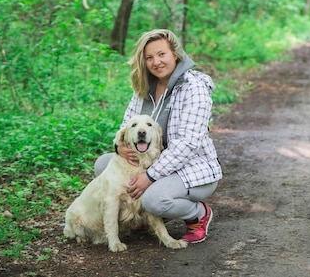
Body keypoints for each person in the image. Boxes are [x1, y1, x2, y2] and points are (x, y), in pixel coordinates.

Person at [94, 29, 222, 243]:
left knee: (153, 200)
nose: (156, 62)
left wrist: (150, 176)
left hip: (192, 168)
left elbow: (188, 143)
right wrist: (119, 148)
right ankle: (142, 217)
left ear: (175, 54)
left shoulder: (194, 89)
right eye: (149, 57)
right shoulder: (144, 87)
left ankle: (197, 214)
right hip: (151, 161)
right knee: (103, 165)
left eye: (162, 54)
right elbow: (126, 126)